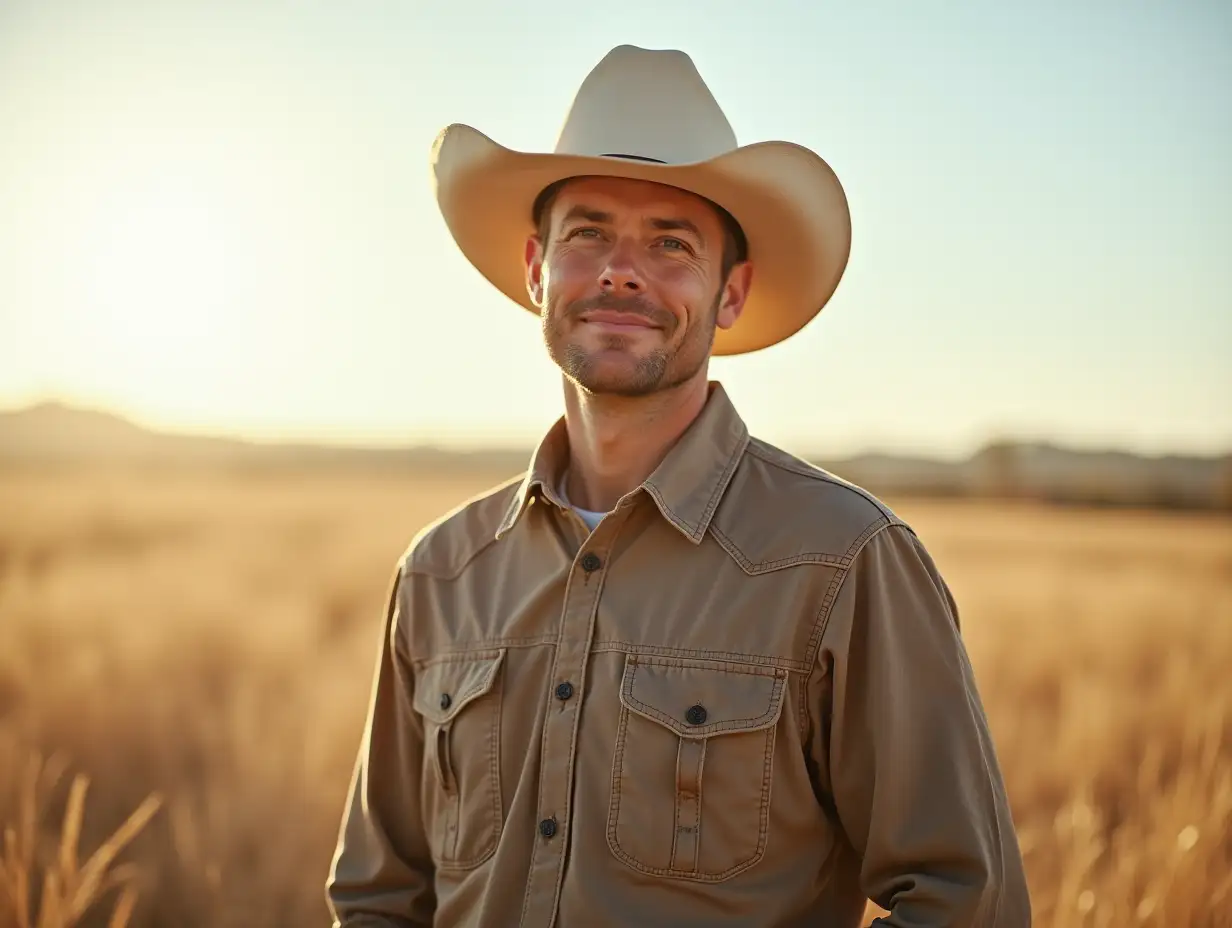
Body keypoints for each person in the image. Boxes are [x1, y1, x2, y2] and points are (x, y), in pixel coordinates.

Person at [326, 45, 1030, 928]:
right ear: (536, 269)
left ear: (730, 293)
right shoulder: (440, 575)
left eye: (671, 244)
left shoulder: (842, 562)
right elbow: (380, 895)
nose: (622, 270)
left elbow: (965, 901)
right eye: (588, 235)